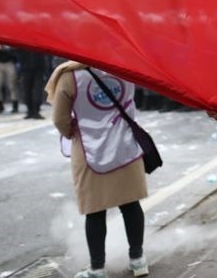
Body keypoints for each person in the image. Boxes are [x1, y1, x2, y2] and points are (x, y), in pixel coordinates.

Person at [45, 61, 150, 278]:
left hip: (88, 148)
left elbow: (59, 119)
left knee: (94, 210)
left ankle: (97, 268)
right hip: (125, 145)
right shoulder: (126, 65)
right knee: (131, 204)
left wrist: (71, 131)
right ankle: (138, 260)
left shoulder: (69, 76)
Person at [0, 44, 19, 114]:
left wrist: (4, 47)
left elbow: (15, 49)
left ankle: (15, 105)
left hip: (9, 62)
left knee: (12, 85)